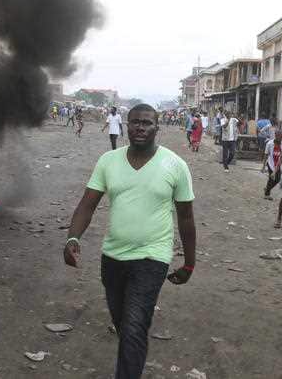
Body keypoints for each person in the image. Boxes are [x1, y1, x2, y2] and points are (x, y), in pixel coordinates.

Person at [63, 104, 196, 379]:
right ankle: (133, 356)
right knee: (123, 322)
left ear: (157, 127)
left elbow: (185, 218)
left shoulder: (175, 165)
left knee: (135, 325)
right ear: (126, 125)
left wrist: (189, 263)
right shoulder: (108, 161)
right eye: (135, 122)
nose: (140, 127)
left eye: (147, 123)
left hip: (153, 256)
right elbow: (87, 205)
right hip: (112, 256)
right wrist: (72, 237)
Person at [263, 130, 282, 200]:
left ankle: (267, 188)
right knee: (271, 178)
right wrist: (263, 166)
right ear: (276, 136)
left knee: (277, 179)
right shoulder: (269, 143)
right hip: (270, 163)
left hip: (278, 164)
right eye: (279, 137)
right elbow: (266, 155)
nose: (280, 139)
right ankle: (267, 194)